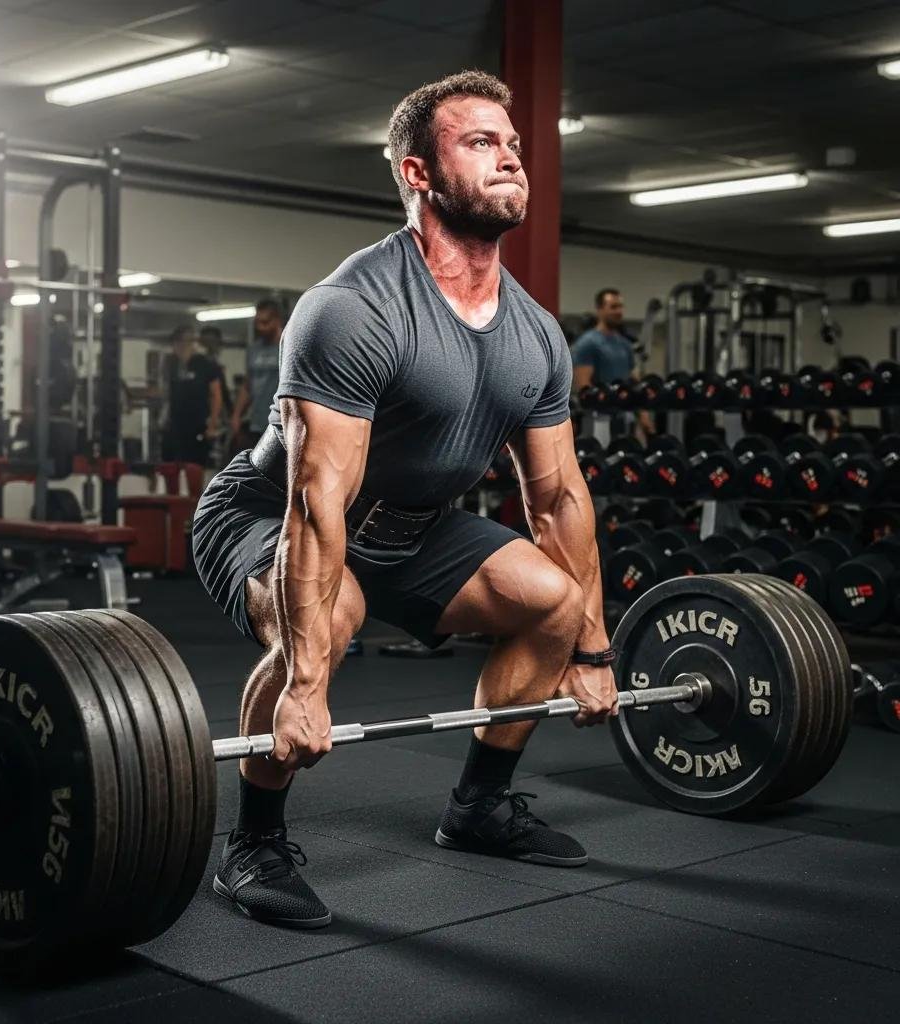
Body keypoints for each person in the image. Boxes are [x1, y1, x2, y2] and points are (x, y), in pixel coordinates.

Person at [193, 70, 617, 930]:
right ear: (418, 173)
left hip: (415, 527)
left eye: (514, 145)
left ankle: (478, 806)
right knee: (331, 611)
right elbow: (317, 503)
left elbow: (560, 496)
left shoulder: (535, 334)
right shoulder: (352, 309)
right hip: (267, 512)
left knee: (552, 601)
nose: (509, 159)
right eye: (480, 142)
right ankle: (255, 842)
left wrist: (594, 647)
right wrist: (306, 684)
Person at [571, 289, 654, 438]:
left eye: (621, 306)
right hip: (598, 420)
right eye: (613, 307)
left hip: (624, 418)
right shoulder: (588, 343)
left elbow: (633, 382)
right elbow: (584, 387)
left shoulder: (625, 344)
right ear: (600, 310)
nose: (619, 311)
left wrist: (643, 415)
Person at [161, 325, 223, 467]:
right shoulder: (172, 364)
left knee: (194, 466)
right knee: (171, 465)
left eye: (184, 342)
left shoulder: (204, 364)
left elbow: (216, 394)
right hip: (175, 424)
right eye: (177, 343)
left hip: (198, 424)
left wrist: (212, 423)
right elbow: (166, 392)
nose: (180, 347)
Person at [229, 299, 284, 451]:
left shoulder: (289, 346)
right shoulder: (253, 350)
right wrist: (237, 415)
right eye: (257, 322)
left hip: (281, 425)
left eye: (265, 322)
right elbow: (248, 386)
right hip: (256, 424)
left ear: (277, 320)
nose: (260, 327)